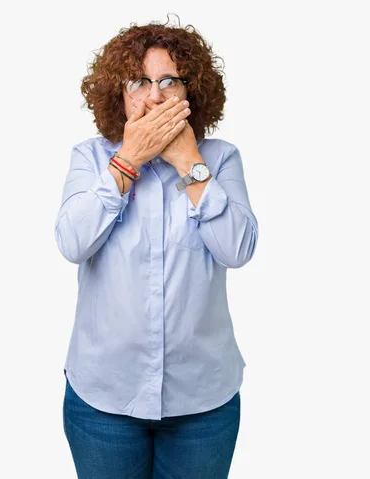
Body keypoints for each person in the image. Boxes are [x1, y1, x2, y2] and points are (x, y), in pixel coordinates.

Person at [54, 16, 259, 479]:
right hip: (103, 399)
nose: (155, 95)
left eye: (169, 81)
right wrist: (128, 160)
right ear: (119, 93)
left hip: (202, 402)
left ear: (191, 92)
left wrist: (190, 164)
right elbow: (71, 241)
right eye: (139, 82)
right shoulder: (90, 157)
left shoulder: (220, 158)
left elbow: (239, 249)